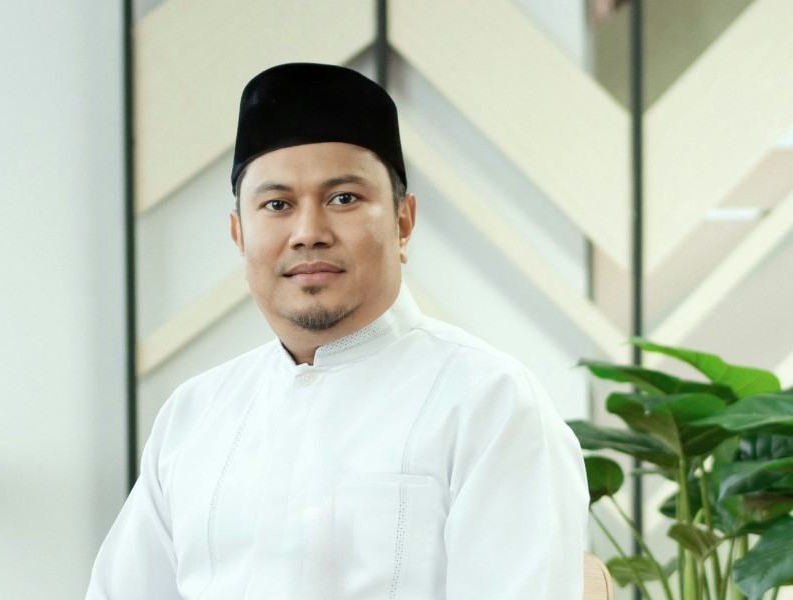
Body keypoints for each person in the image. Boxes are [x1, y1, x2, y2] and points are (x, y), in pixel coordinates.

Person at [86, 62, 589, 599]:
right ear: (239, 234)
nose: (308, 233)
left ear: (403, 222)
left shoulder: (491, 402)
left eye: (343, 198)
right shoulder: (193, 415)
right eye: (276, 205)